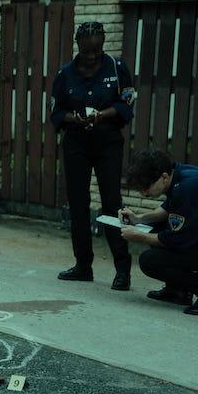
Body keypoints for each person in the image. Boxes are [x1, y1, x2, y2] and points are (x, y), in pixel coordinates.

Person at [50, 21, 135, 290]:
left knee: (112, 204)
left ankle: (122, 270)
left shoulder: (117, 68)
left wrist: (103, 115)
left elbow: (127, 103)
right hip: (76, 143)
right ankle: (83, 266)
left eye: (95, 52)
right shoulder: (64, 74)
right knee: (78, 204)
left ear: (102, 46)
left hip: (108, 142)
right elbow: (56, 112)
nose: (91, 57)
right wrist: (73, 118)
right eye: (86, 52)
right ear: (77, 45)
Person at [119, 148, 198, 316]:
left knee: (149, 261)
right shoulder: (181, 174)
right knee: (156, 227)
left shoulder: (188, 187)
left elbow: (173, 239)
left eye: (146, 187)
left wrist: (140, 237)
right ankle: (177, 290)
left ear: (164, 177)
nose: (144, 193)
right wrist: (138, 219)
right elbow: (169, 210)